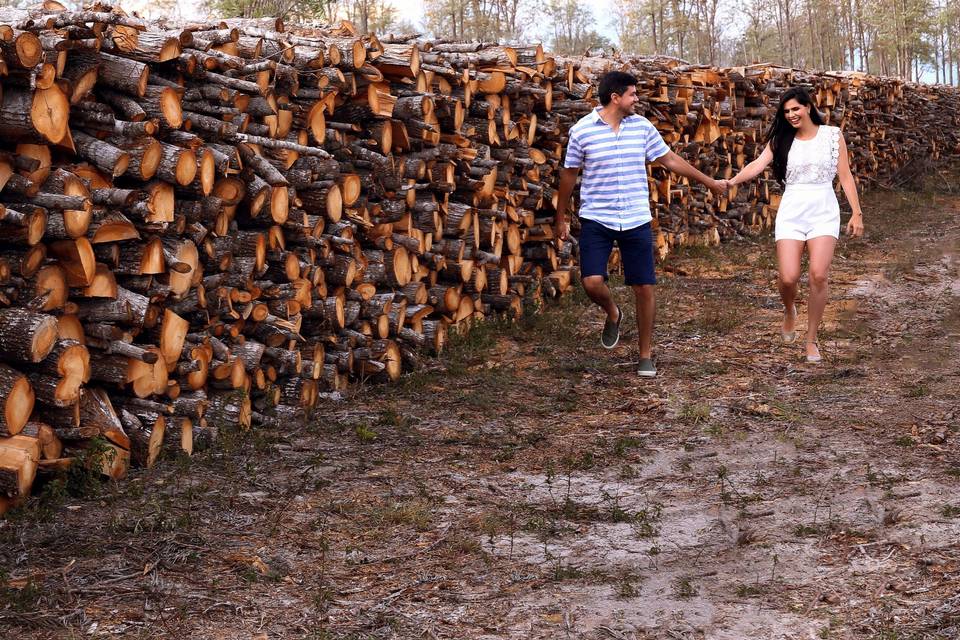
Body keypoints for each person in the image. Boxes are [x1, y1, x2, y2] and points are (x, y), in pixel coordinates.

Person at [554, 71, 728, 378]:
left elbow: (670, 159)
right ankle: (612, 312)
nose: (637, 100)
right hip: (597, 216)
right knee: (591, 282)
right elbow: (569, 175)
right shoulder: (582, 131)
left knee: (644, 287)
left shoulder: (642, 127)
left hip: (635, 217)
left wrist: (709, 181)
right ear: (615, 98)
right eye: (633, 95)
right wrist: (561, 216)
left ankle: (645, 355)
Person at [728, 86, 864, 363]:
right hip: (792, 210)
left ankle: (811, 340)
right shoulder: (781, 139)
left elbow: (846, 176)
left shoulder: (832, 136)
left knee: (818, 275)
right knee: (788, 277)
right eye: (786, 111)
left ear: (809, 107)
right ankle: (789, 308)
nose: (791, 115)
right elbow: (756, 165)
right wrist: (731, 181)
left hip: (824, 209)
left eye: (795, 109)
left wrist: (857, 213)